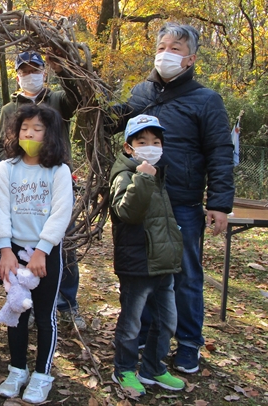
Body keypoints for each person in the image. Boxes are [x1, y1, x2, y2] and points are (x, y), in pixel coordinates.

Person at [116, 23, 234, 374]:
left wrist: (219, 202)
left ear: (191, 58)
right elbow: (111, 125)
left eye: (176, 48)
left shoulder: (206, 100)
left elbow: (220, 151)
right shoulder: (140, 94)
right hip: (143, 199)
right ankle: (147, 336)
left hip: (182, 201)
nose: (167, 52)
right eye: (162, 45)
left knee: (185, 276)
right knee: (145, 272)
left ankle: (187, 344)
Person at [0, 51, 85, 330]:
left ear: (45, 72)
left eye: (35, 69)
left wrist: (65, 70)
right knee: (24, 249)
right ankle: (28, 302)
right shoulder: (9, 109)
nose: (29, 74)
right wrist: (15, 170)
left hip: (55, 182)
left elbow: (79, 101)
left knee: (62, 243)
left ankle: (67, 302)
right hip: (23, 189)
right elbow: (1, 145)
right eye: (24, 70)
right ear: (17, 74)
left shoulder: (57, 99)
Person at [0, 104, 73, 404]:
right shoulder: (6, 168)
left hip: (45, 253)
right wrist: (4, 249)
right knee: (16, 312)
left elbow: (61, 212)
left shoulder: (58, 170)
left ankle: (42, 375)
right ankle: (17, 369)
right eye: (25, 128)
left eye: (37, 129)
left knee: (44, 315)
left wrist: (42, 250)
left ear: (49, 134)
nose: (30, 133)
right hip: (13, 252)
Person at [110, 115, 185, 396]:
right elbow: (127, 212)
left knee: (167, 321)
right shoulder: (126, 175)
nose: (150, 146)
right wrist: (142, 177)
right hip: (137, 266)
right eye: (142, 142)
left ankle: (154, 368)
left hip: (162, 264)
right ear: (129, 147)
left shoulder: (157, 173)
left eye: (155, 142)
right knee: (131, 324)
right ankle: (124, 370)